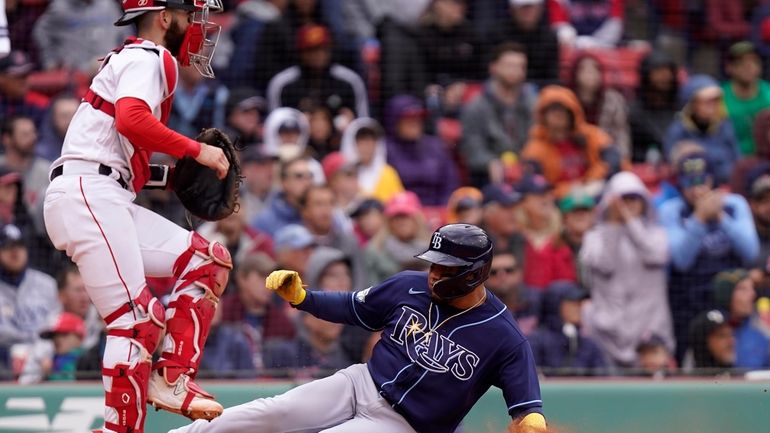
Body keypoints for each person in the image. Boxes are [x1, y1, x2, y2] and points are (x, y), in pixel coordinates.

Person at [41, 1, 234, 431]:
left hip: (99, 191)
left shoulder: (133, 60)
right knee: (137, 320)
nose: (197, 26)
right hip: (89, 195)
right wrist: (196, 150)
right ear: (165, 18)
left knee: (206, 259)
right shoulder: (150, 55)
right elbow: (132, 120)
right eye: (189, 15)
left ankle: (171, 378)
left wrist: (168, 177)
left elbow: (115, 150)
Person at [170, 223, 548, 433]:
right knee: (269, 413)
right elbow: (353, 306)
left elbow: (526, 407)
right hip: (360, 382)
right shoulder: (409, 285)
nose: (434, 273)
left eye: (445, 268)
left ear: (475, 273)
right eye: (433, 263)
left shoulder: (503, 336)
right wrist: (303, 297)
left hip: (404, 425)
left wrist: (531, 423)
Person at [659, 150, 759, 362]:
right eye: (690, 183)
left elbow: (751, 251)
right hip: (689, 302)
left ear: (712, 179)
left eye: (702, 181)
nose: (697, 190)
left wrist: (720, 217)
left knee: (738, 359)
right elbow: (681, 260)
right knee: (696, 364)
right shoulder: (672, 210)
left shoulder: (734, 204)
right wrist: (700, 218)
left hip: (730, 298)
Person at [580, 171, 674, 367]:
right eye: (623, 198)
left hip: (650, 327)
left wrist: (631, 222)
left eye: (635, 198)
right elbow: (604, 264)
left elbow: (655, 255)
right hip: (610, 331)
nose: (629, 204)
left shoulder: (657, 234)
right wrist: (613, 225)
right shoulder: (594, 237)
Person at [460, 42, 536, 187]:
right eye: (509, 65)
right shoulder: (475, 107)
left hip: (527, 171)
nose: (514, 71)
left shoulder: (533, 104)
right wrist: (490, 162)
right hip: (489, 177)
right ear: (493, 67)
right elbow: (472, 148)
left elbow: (539, 138)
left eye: (520, 66)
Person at [522, 85, 611, 199]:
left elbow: (613, 160)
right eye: (553, 109)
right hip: (558, 202)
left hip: (594, 192)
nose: (558, 114)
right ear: (543, 115)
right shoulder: (534, 149)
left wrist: (591, 181)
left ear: (572, 113)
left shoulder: (590, 135)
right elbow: (536, 186)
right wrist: (569, 191)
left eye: (563, 110)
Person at [267, 24, 368, 118]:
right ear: (301, 53)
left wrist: (351, 122)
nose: (318, 55)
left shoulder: (349, 81)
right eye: (312, 50)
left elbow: (364, 125)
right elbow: (274, 127)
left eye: (322, 49)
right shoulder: (283, 84)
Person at [0, 223, 59, 371]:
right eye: (7, 247)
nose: (15, 252)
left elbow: (56, 324)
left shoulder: (47, 284)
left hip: (46, 355)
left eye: (19, 246)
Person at [663, 74, 740, 186]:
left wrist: (702, 153)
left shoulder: (725, 127)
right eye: (707, 102)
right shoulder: (677, 132)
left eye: (716, 101)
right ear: (691, 104)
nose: (713, 106)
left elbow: (736, 164)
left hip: (725, 187)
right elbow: (676, 171)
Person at [384, 95, 459, 206]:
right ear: (394, 121)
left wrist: (441, 211)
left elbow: (450, 184)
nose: (415, 122)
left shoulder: (436, 146)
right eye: (409, 118)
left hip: (438, 212)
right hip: (401, 214)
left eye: (418, 117)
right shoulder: (384, 150)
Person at [528, 281, 607, 376]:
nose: (580, 307)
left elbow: (603, 379)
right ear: (555, 305)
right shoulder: (536, 342)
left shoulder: (589, 345)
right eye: (574, 303)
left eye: (580, 303)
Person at [516, 175, 577, 290]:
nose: (547, 198)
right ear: (523, 201)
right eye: (540, 194)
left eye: (550, 193)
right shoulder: (514, 234)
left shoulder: (565, 233)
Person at [567, 53, 630, 159]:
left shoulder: (613, 100)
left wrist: (621, 160)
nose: (591, 74)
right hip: (573, 158)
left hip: (607, 155)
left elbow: (621, 135)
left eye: (595, 70)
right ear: (575, 73)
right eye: (585, 70)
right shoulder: (566, 100)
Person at [364, 191, 431, 286]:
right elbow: (369, 291)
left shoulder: (434, 249)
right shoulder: (375, 251)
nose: (401, 222)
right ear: (388, 222)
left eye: (406, 216)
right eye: (396, 217)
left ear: (417, 219)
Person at [492, 0, 559, 88]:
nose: (527, 13)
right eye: (523, 8)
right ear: (512, 9)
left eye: (531, 8)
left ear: (540, 9)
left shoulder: (549, 37)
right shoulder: (496, 34)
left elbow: (552, 77)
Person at [711, 269, 770, 369]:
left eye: (752, 288)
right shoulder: (707, 329)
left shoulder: (763, 329)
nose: (752, 294)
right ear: (726, 295)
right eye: (743, 289)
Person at [629, 51, 680, 163]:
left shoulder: (680, 107)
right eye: (659, 71)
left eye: (669, 71)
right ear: (646, 74)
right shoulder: (634, 112)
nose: (665, 76)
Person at [721, 41, 770, 156]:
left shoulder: (768, 94)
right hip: (731, 160)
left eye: (754, 61)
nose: (748, 66)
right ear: (729, 67)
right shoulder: (720, 97)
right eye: (741, 62)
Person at [339, 117, 404, 204]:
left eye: (371, 140)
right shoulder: (342, 175)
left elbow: (399, 203)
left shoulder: (389, 173)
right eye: (361, 140)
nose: (366, 146)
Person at [0, 115, 51, 216]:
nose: (33, 138)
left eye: (33, 133)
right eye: (25, 134)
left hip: (37, 230)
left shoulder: (47, 170)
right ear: (7, 139)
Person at [18, 312, 86, 384]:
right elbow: (23, 384)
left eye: (64, 334)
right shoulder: (48, 359)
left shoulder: (87, 359)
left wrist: (49, 375)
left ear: (78, 337)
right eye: (53, 336)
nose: (57, 340)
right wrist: (44, 374)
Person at [252, 156, 315, 234]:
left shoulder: (320, 215)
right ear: (284, 182)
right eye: (299, 176)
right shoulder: (265, 222)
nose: (307, 182)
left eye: (310, 176)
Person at [486, 251, 540, 335]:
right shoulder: (479, 309)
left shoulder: (538, 301)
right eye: (493, 272)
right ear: (485, 278)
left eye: (508, 270)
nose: (502, 276)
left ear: (520, 273)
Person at [548, 0, 624, 48]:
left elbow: (614, 28)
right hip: (571, 48)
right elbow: (559, 26)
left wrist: (592, 45)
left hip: (604, 49)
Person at [37, 94, 80, 162]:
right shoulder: (41, 154)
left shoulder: (91, 147)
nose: (71, 121)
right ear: (53, 118)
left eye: (75, 115)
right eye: (64, 116)